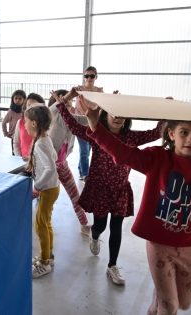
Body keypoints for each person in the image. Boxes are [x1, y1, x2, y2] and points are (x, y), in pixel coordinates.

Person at [80, 94, 191, 314]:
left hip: (190, 246)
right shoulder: (157, 158)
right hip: (159, 245)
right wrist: (93, 124)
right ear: (171, 134)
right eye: (184, 132)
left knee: (183, 303)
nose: (190, 140)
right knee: (171, 307)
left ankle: (157, 302)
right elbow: (122, 152)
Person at [56, 89, 164, 286]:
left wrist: (167, 111)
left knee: (116, 228)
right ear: (105, 114)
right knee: (100, 226)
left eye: (122, 114)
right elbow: (74, 127)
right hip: (100, 189)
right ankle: (95, 236)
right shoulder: (97, 134)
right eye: (114, 113)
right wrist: (61, 106)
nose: (118, 117)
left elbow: (156, 133)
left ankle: (112, 265)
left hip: (120, 190)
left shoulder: (131, 137)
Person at [24, 104, 60, 278]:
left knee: (40, 225)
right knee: (46, 223)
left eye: (26, 121)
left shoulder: (40, 143)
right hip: (52, 188)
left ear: (34, 123)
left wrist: (37, 186)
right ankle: (49, 255)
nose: (24, 125)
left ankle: (45, 263)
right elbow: (53, 159)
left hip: (47, 189)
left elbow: (50, 168)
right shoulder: (45, 139)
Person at [48, 90, 90, 235]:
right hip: (48, 166)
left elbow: (90, 121)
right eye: (64, 103)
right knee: (42, 195)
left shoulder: (74, 119)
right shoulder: (51, 115)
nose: (67, 105)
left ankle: (84, 224)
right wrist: (67, 97)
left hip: (62, 165)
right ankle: (44, 224)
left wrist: (104, 108)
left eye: (69, 103)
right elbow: (51, 109)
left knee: (75, 195)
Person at [74, 66, 103, 181]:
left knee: (89, 150)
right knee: (84, 151)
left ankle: (81, 169)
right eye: (86, 76)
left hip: (94, 124)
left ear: (96, 77)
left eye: (92, 76)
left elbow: (103, 104)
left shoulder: (99, 91)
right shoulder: (78, 89)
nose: (89, 78)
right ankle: (85, 174)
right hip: (80, 123)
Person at [13, 93, 44, 161]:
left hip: (39, 164)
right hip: (23, 164)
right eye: (29, 105)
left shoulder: (45, 124)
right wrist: (19, 159)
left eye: (34, 105)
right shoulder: (20, 122)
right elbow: (16, 143)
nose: (31, 108)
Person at [2, 89, 26, 155]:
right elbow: (4, 122)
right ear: (13, 99)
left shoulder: (26, 111)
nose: (17, 100)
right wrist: (6, 133)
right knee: (15, 152)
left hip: (24, 135)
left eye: (20, 99)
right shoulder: (11, 111)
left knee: (24, 151)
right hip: (14, 136)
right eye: (15, 98)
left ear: (24, 100)